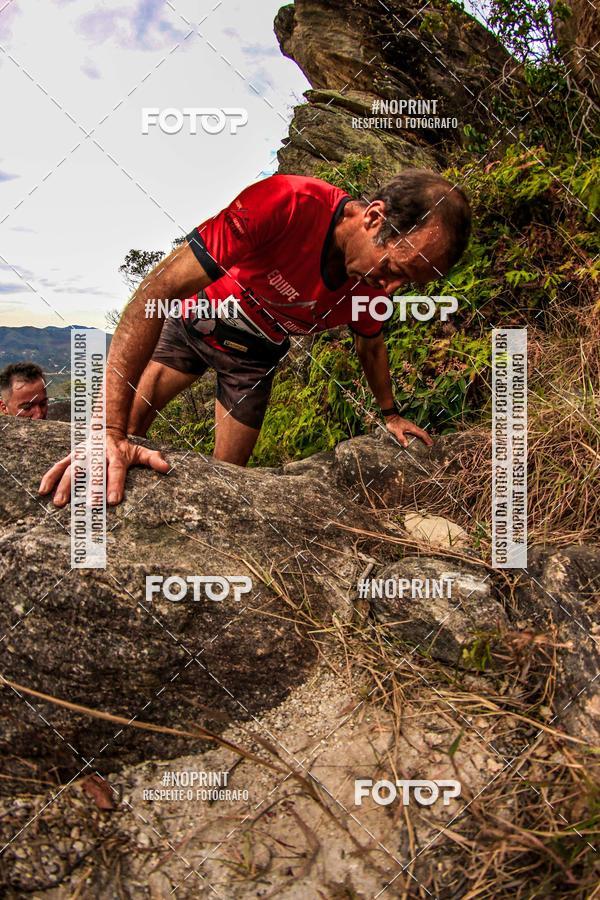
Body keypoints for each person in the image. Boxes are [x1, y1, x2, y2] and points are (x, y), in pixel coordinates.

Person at [39, 169, 471, 507]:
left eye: (406, 283)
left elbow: (370, 344)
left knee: (226, 486)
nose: (390, 289)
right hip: (200, 320)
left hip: (255, 359)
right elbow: (158, 290)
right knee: (116, 446)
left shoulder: (369, 288)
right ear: (374, 218)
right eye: (395, 269)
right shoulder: (287, 202)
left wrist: (390, 413)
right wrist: (109, 429)